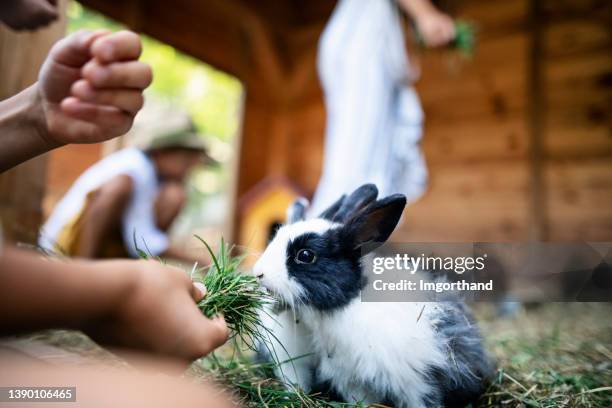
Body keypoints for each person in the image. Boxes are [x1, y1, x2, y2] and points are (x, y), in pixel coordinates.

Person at [0, 5, 232, 406]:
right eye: (189, 155)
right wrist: (108, 289)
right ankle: (84, 271)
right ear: (168, 150)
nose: (193, 166)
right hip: (64, 252)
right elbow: (135, 230)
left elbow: (144, 235)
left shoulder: (149, 177)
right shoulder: (132, 173)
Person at [309, 0, 456, 215]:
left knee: (354, 153)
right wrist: (426, 14)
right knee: (358, 158)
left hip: (351, 43)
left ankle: (333, 232)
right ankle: (324, 236)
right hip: (361, 44)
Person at [39, 105, 214, 264]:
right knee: (122, 186)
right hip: (62, 247)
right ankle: (83, 268)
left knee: (174, 195)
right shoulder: (135, 169)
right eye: (185, 157)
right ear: (162, 151)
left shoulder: (154, 176)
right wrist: (200, 260)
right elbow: (139, 236)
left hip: (107, 250)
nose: (190, 166)